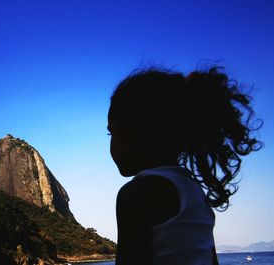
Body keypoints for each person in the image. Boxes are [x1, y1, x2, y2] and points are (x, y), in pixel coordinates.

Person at [107, 66, 262, 265]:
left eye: (112, 133)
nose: (111, 144)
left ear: (135, 133)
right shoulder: (193, 190)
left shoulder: (139, 192)